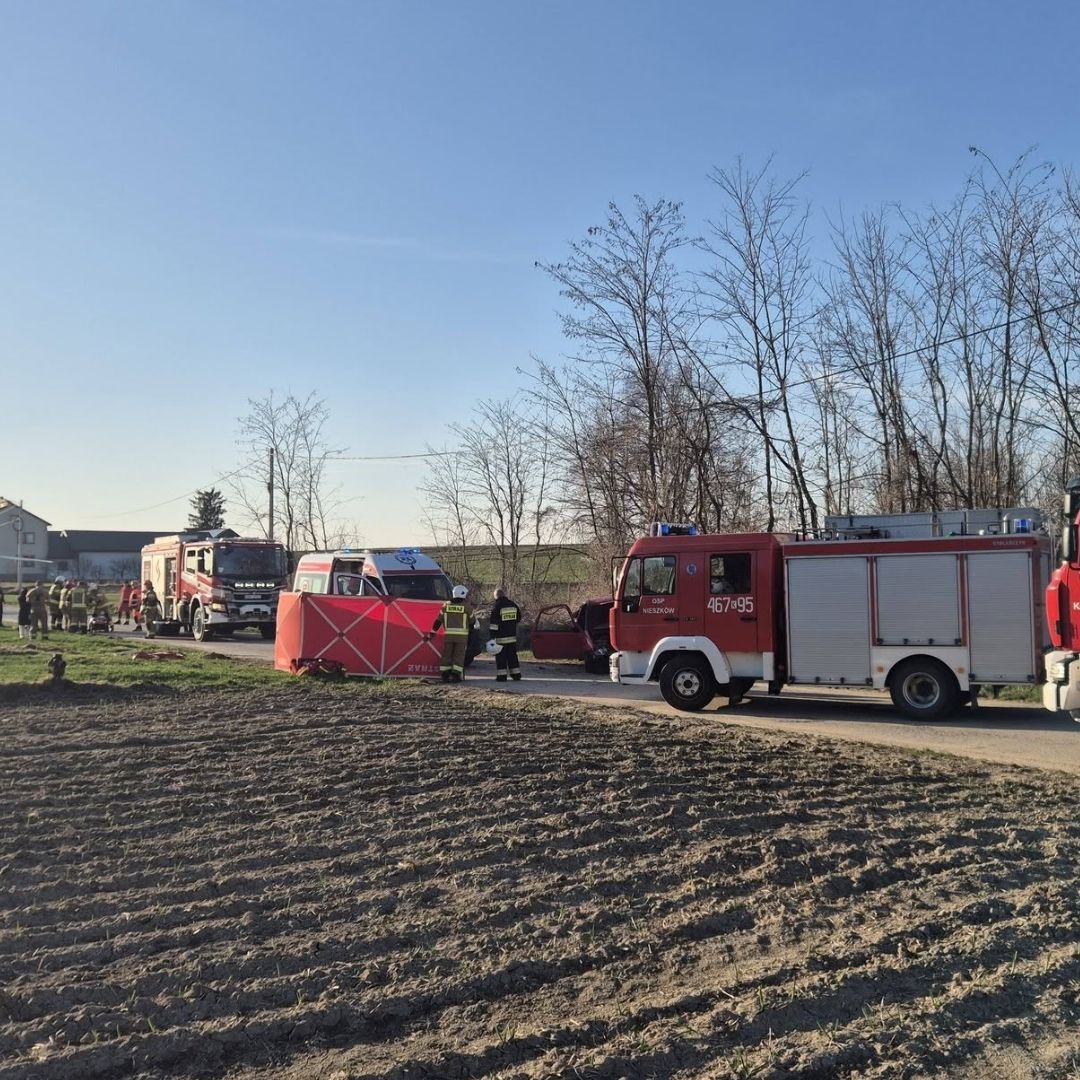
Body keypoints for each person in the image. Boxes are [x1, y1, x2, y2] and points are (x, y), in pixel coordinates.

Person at [427, 584, 472, 683]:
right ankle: (455, 675)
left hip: (448, 637)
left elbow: (438, 621)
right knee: (458, 656)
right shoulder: (466, 607)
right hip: (461, 637)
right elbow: (472, 621)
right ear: (463, 594)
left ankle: (445, 675)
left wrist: (432, 632)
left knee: (447, 655)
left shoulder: (446, 605)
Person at [488, 587, 522, 682]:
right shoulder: (513, 604)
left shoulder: (497, 607)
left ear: (496, 596)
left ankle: (502, 676)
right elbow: (518, 618)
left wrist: (492, 636)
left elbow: (494, 624)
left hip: (501, 638)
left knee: (501, 657)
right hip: (512, 637)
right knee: (512, 656)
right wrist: (511, 625)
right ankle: (516, 675)